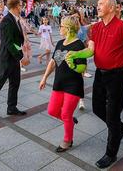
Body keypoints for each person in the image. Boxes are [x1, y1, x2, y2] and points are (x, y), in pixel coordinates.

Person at [66, 0, 123, 169]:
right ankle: (121, 128)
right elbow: (90, 51)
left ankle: (111, 153)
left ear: (111, 7)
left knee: (112, 114)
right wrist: (76, 54)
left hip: (117, 76)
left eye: (101, 4)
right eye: (97, 4)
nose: (98, 6)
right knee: (97, 107)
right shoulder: (95, 28)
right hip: (100, 74)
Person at [39, 16, 86, 152]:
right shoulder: (60, 43)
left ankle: (67, 140)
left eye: (61, 26)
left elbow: (82, 67)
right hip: (59, 83)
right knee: (52, 110)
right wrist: (44, 78)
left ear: (68, 28)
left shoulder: (78, 45)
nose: (59, 28)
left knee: (65, 114)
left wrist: (73, 66)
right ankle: (70, 121)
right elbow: (54, 62)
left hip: (73, 85)